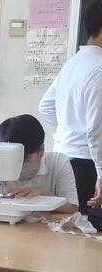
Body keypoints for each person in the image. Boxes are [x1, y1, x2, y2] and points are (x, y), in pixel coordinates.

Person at [39, 0, 102, 213]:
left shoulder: (74, 61)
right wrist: (101, 175)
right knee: (78, 227)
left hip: (63, 157)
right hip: (85, 164)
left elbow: (45, 106)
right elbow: (96, 129)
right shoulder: (99, 67)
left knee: (63, 225)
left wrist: (70, 128)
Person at [0, 114, 78, 213]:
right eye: (10, 162)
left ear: (41, 150)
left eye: (24, 162)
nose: (18, 168)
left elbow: (73, 208)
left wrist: (45, 195)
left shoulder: (58, 163)